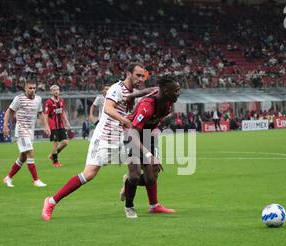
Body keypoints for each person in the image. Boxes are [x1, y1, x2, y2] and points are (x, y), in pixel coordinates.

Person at [41, 63, 153, 220]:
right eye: (138, 75)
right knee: (89, 174)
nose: (141, 79)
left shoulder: (135, 93)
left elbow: (144, 96)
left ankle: (129, 198)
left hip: (123, 136)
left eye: (143, 76)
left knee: (137, 170)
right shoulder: (117, 88)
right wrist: (125, 121)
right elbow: (108, 108)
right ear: (128, 74)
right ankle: (51, 201)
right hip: (105, 136)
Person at [120, 75, 181, 217]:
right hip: (131, 134)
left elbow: (149, 89)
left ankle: (154, 206)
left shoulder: (165, 97)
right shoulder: (147, 106)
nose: (178, 93)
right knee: (134, 176)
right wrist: (149, 155)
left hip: (147, 134)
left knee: (151, 176)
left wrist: (131, 96)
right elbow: (133, 134)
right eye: (176, 90)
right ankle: (129, 207)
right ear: (165, 90)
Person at [2, 79, 51, 188]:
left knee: (23, 158)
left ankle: (8, 178)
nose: (32, 90)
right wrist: (5, 126)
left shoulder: (38, 99)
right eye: (30, 88)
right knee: (30, 152)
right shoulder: (19, 99)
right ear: (25, 88)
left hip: (30, 131)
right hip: (21, 130)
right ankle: (36, 180)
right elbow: (9, 111)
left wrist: (46, 125)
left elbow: (41, 113)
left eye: (34, 88)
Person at [45, 85, 71, 167]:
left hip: (61, 125)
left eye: (57, 90)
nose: (56, 91)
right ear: (51, 92)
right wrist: (46, 126)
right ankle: (55, 162)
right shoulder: (49, 102)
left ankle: (52, 155)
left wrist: (67, 122)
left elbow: (63, 112)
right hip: (53, 126)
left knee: (65, 142)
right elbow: (46, 115)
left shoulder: (61, 100)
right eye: (54, 90)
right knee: (55, 144)